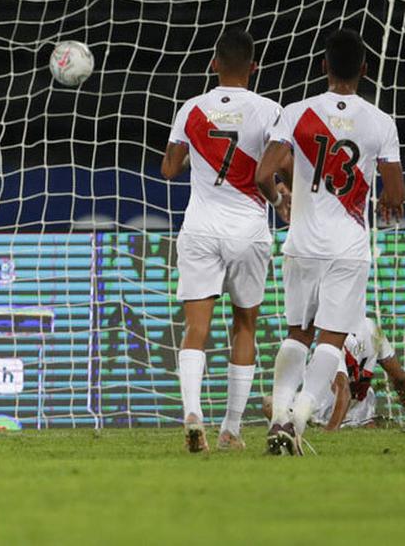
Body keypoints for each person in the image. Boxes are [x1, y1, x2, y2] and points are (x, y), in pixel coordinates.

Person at [255, 28, 405, 456]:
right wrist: (385, 204)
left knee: (296, 334)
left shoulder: (297, 112)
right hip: (348, 247)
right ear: (364, 69)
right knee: (331, 342)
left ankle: (280, 415)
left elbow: (265, 174)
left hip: (302, 242)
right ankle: (298, 421)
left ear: (323, 66)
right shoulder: (381, 122)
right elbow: (395, 194)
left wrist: (280, 197)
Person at [160, 29, 286, 452]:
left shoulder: (192, 109)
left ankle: (192, 412)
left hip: (200, 228)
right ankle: (231, 428)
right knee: (244, 324)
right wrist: (279, 197)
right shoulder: (270, 110)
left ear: (213, 63)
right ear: (254, 67)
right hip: (248, 230)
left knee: (197, 327)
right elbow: (274, 168)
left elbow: (169, 169)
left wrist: (196, 146)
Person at [259, 315, 405, 430]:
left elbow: (343, 391)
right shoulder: (372, 328)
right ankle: (360, 422)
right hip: (363, 410)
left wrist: (331, 430)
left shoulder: (332, 338)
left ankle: (311, 422)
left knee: (269, 403)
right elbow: (399, 377)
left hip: (326, 411)